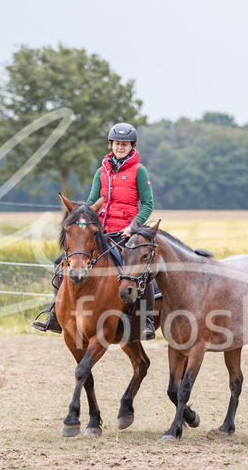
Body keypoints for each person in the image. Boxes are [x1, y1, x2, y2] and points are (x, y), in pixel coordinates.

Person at [33, 122, 156, 339]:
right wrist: (87, 224)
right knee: (60, 263)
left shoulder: (139, 170)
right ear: (111, 145)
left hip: (127, 233)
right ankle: (54, 315)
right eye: (117, 143)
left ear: (132, 146)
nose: (120, 147)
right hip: (100, 233)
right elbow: (91, 204)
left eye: (124, 144)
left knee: (137, 268)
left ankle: (146, 320)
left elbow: (147, 204)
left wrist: (133, 226)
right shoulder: (101, 172)